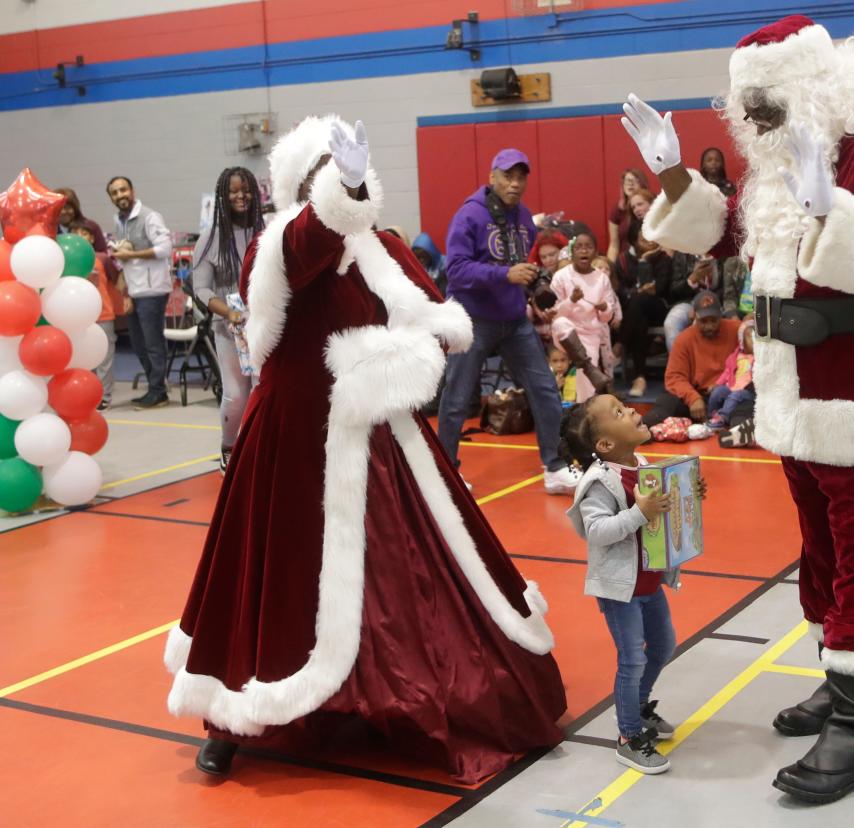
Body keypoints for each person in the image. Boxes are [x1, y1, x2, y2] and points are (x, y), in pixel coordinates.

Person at [622, 16, 854, 803]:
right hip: (799, 395)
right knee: (824, 551)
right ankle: (838, 680)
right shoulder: (780, 158)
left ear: (813, 85)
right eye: (749, 105)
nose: (758, 118)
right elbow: (731, 240)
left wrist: (833, 212)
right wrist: (675, 178)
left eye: (769, 100)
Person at [163, 116, 566, 784]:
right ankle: (230, 717)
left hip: (378, 429)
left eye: (346, 169)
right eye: (322, 170)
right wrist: (340, 189)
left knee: (404, 576)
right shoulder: (281, 240)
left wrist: (417, 341)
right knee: (270, 574)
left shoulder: (379, 244)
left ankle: (391, 697)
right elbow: (308, 244)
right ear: (304, 184)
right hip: (292, 433)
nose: (337, 180)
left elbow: (431, 305)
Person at [563, 395, 705, 774]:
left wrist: (686, 494)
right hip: (618, 590)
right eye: (620, 413)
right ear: (606, 445)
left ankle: (637, 708)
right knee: (632, 658)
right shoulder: (598, 483)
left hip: (649, 582)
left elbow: (661, 513)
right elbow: (595, 531)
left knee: (662, 645)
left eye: (626, 407)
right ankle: (628, 736)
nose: (633, 412)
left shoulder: (644, 466)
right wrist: (639, 512)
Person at [436, 148, 581, 494]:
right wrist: (505, 275)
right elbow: (454, 270)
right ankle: (445, 476)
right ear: (492, 177)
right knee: (457, 398)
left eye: (521, 177)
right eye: (507, 176)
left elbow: (519, 267)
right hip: (472, 318)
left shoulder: (524, 218)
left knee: (545, 388)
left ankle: (555, 468)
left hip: (513, 319)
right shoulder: (468, 216)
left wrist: (533, 289)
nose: (515, 184)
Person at [192, 167, 265, 472]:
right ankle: (228, 445)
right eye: (234, 191)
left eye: (246, 190)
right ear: (223, 195)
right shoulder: (210, 238)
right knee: (236, 395)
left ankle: (263, 448)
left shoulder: (267, 231)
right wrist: (230, 313)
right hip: (230, 327)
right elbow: (201, 287)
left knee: (265, 391)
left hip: (265, 326)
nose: (241, 196)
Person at [107, 175, 173, 408]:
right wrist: (125, 292)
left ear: (132, 191)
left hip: (153, 289)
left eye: (123, 190)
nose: (120, 195)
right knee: (137, 341)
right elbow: (126, 261)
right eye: (114, 193)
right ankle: (155, 387)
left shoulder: (150, 216)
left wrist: (130, 255)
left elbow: (166, 248)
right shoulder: (120, 221)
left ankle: (159, 391)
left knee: (152, 342)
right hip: (135, 290)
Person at [641, 292, 741, 427]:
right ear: (694, 316)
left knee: (746, 405)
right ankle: (642, 430)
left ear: (721, 315)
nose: (709, 326)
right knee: (667, 401)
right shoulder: (684, 339)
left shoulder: (737, 330)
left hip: (730, 394)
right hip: (699, 396)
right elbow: (674, 377)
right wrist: (692, 397)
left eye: (714, 320)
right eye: (704, 321)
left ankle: (740, 432)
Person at [549, 230, 619, 400]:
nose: (584, 250)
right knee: (561, 323)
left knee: (587, 385)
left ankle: (582, 412)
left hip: (589, 335)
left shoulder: (602, 279)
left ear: (595, 253)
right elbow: (554, 314)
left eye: (588, 247)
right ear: (573, 253)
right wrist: (571, 300)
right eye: (579, 247)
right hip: (564, 334)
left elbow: (606, 319)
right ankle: (587, 366)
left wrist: (604, 308)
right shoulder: (561, 276)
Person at [69, 221, 120, 409]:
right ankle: (87, 393)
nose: (80, 236)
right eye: (75, 233)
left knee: (105, 357)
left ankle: (104, 396)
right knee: (84, 357)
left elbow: (116, 280)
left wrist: (123, 301)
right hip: (79, 318)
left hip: (104, 315)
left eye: (84, 233)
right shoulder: (67, 260)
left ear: (91, 237)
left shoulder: (102, 258)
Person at [616, 233, 671, 398]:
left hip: (660, 308)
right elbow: (623, 290)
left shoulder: (664, 259)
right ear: (635, 242)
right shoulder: (625, 260)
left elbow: (659, 289)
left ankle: (620, 343)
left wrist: (644, 261)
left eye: (651, 238)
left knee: (639, 300)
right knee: (639, 319)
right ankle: (640, 377)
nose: (648, 242)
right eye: (643, 239)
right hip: (637, 312)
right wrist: (642, 263)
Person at [707, 318, 756, 429]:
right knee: (718, 392)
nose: (754, 340)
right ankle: (711, 416)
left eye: (756, 336)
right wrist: (717, 384)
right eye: (750, 337)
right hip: (733, 386)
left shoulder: (760, 357)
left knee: (735, 396)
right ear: (741, 340)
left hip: (748, 392)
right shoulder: (735, 356)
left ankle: (723, 418)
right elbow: (727, 372)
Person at [606, 168, 649, 262]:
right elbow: (614, 245)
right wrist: (610, 268)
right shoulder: (617, 210)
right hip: (625, 263)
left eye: (634, 181)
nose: (630, 184)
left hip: (649, 261)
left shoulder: (653, 206)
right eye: (627, 181)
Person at [411, 231, 446, 296]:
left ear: (431, 253)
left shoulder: (444, 263)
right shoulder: (419, 268)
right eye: (417, 257)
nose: (420, 260)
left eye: (423, 256)